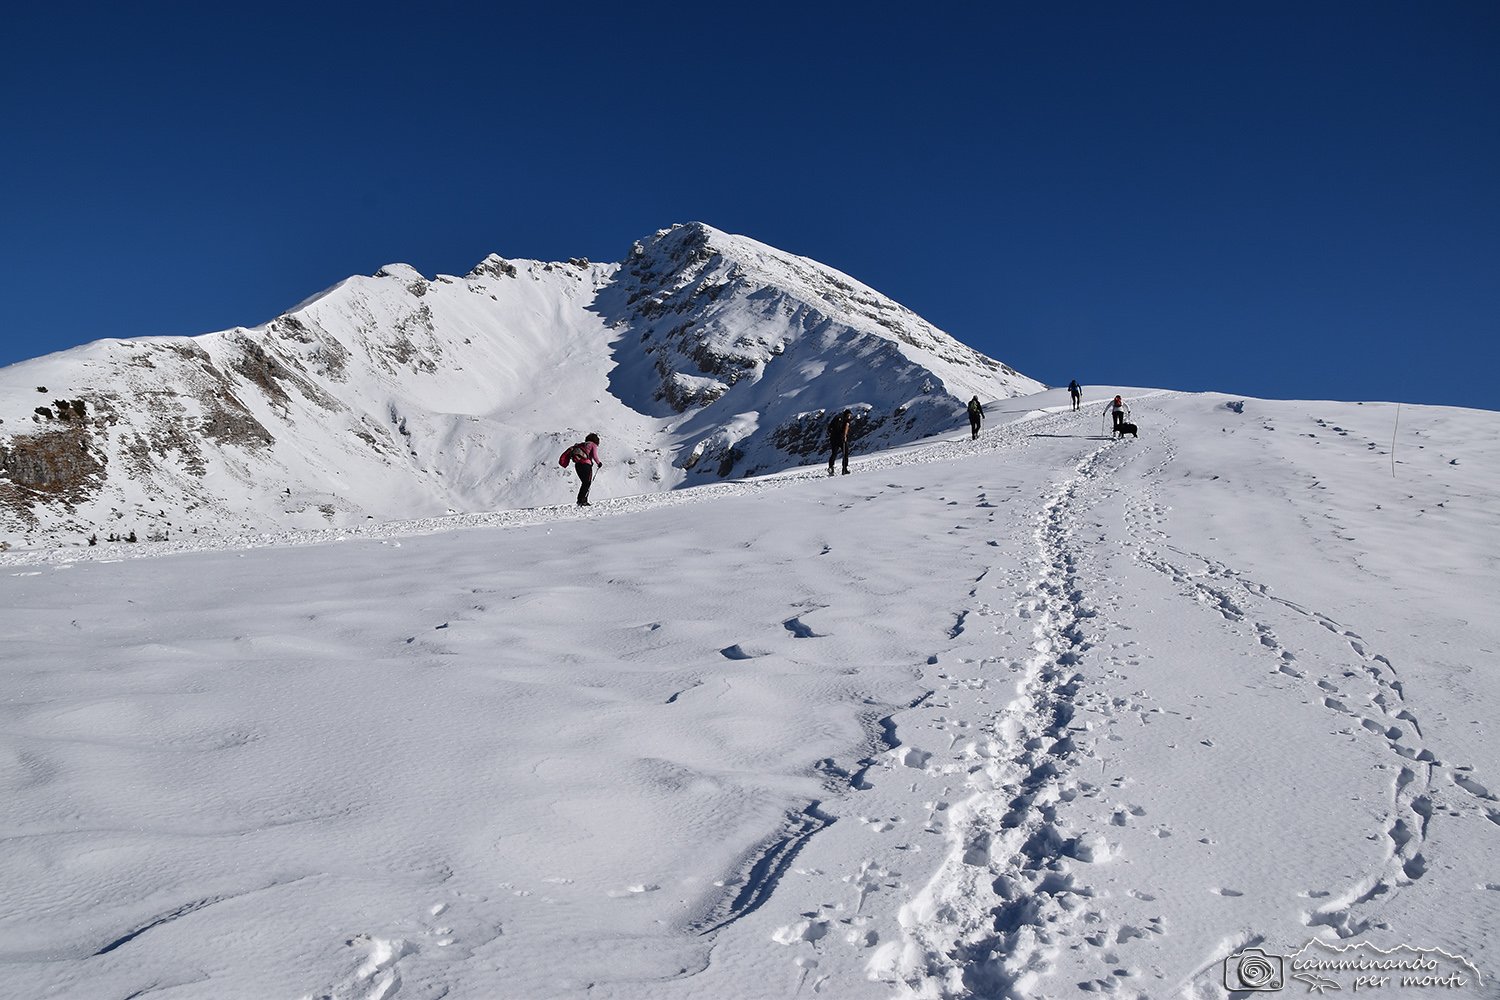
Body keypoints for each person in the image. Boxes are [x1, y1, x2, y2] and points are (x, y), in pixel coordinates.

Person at [560, 432, 604, 506]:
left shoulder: (581, 445)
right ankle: (583, 500)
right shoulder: (593, 445)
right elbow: (595, 456)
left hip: (577, 465)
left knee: (584, 483)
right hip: (586, 465)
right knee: (587, 483)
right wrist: (599, 463)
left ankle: (580, 500)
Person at [827, 408, 852, 475]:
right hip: (841, 438)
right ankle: (844, 469)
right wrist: (844, 436)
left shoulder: (837, 418)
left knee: (834, 453)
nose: (849, 417)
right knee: (845, 453)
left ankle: (831, 467)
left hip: (833, 438)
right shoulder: (845, 420)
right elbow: (846, 429)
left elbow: (829, 428)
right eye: (849, 415)